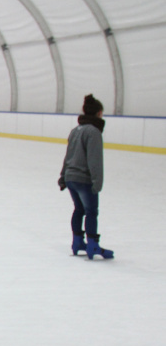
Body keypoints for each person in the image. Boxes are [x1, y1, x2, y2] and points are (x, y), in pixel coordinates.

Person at [58, 94, 113, 260]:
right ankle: (92, 245)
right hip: (83, 179)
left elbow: (68, 156)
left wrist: (63, 176)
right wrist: (97, 182)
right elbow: (94, 160)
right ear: (98, 113)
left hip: (70, 178)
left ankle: (77, 242)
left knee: (79, 209)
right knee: (91, 211)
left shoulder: (75, 130)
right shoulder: (94, 132)